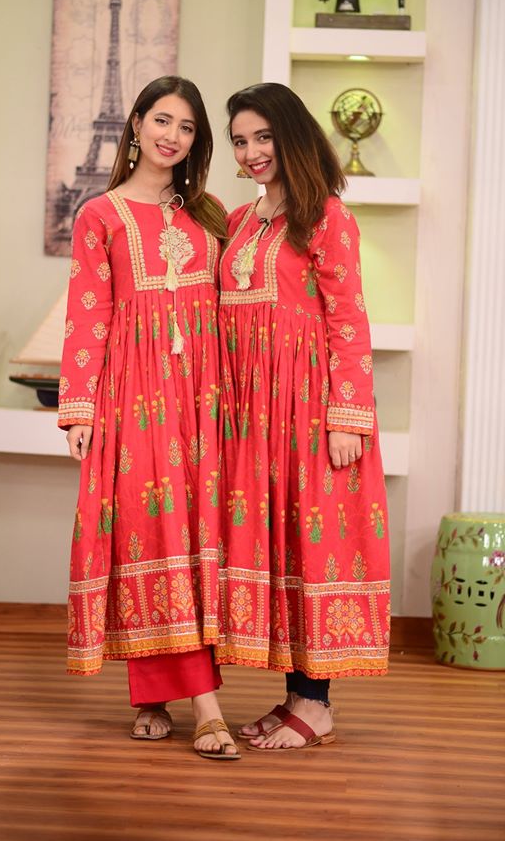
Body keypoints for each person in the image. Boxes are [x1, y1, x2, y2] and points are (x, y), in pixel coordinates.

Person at [58, 75, 240, 760]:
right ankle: (207, 708)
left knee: (193, 538)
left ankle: (152, 695)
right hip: (133, 398)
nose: (172, 135)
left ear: (197, 141)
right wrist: (79, 408)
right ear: (134, 125)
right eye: (161, 120)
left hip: (205, 396)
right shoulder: (99, 215)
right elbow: (88, 316)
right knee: (147, 535)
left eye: (187, 127)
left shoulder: (212, 212)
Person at [216, 82, 390, 751]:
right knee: (282, 548)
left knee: (313, 546)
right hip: (253, 418)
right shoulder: (239, 220)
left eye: (263, 136)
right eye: (240, 140)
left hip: (311, 409)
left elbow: (348, 319)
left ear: (291, 136)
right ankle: (295, 698)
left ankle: (316, 704)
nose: (253, 150)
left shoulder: (326, 215)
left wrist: (348, 416)